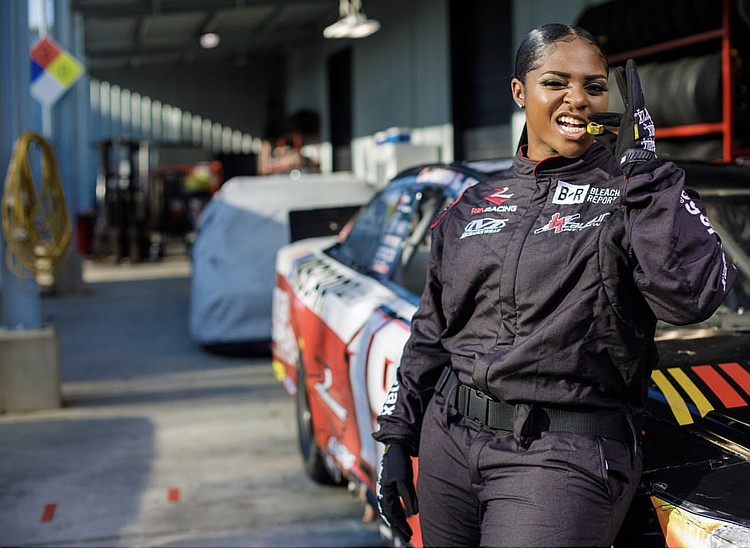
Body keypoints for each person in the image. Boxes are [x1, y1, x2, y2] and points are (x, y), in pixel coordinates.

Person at [372, 23, 737, 547]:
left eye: (594, 86)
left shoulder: (632, 192)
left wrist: (645, 176)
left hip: (561, 455)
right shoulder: (473, 201)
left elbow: (691, 297)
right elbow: (431, 329)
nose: (578, 99)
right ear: (519, 91)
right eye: (555, 82)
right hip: (449, 440)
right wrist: (397, 436)